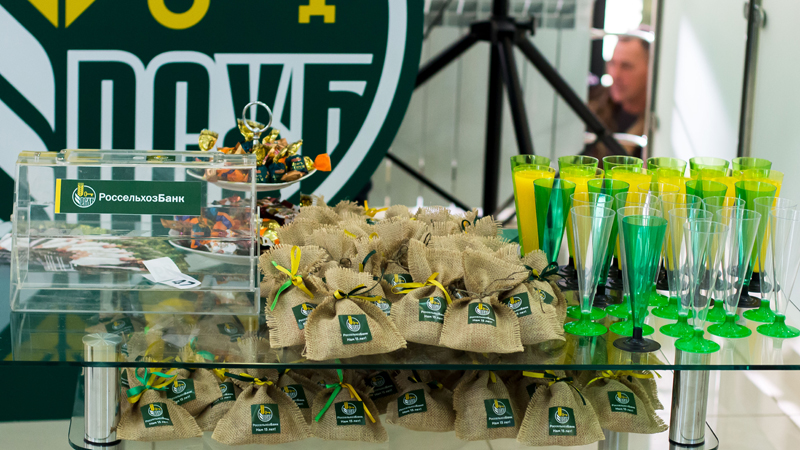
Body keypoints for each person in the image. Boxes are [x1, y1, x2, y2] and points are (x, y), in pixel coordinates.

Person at [586, 28, 653, 160]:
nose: (615, 75)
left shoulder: (656, 132)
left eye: (626, 66)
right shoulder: (593, 104)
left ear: (651, 70)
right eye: (612, 63)